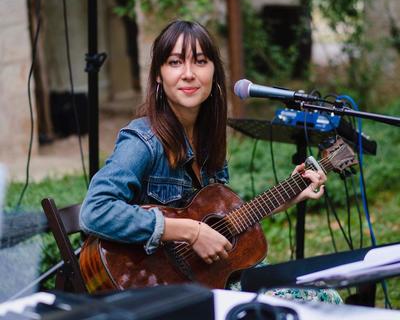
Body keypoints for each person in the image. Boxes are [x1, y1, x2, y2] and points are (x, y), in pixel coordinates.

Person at [79, 20, 336, 301]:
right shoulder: (143, 141)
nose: (189, 74)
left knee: (324, 296)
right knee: (313, 302)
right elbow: (95, 211)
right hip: (152, 290)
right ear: (158, 76)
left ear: (214, 73)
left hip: (204, 282)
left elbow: (223, 222)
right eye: (175, 62)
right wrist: (191, 232)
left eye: (200, 62)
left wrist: (289, 194)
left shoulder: (207, 139)